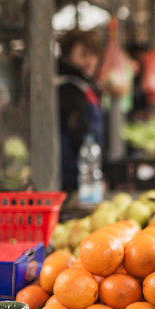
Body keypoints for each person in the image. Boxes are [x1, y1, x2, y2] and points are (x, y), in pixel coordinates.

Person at [57, 29, 105, 192]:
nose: (91, 61)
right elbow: (78, 132)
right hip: (73, 176)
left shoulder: (84, 85)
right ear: (67, 57)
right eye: (83, 55)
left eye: (94, 55)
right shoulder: (68, 88)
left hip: (85, 171)